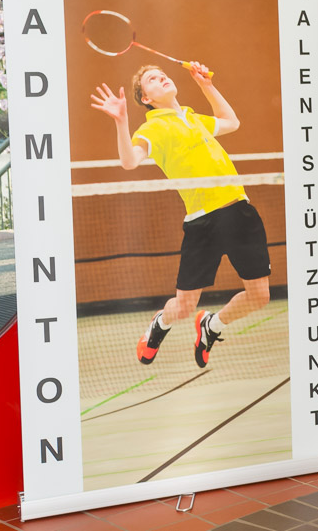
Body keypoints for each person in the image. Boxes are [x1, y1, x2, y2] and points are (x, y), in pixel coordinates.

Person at [91, 61, 271, 370]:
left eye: (162, 74)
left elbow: (231, 122)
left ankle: (212, 326)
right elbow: (130, 161)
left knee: (259, 296)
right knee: (185, 307)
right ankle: (160, 323)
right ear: (146, 98)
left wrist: (206, 85)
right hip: (203, 222)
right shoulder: (153, 128)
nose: (161, 77)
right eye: (152, 78)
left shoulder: (192, 117)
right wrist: (121, 121)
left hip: (239, 211)